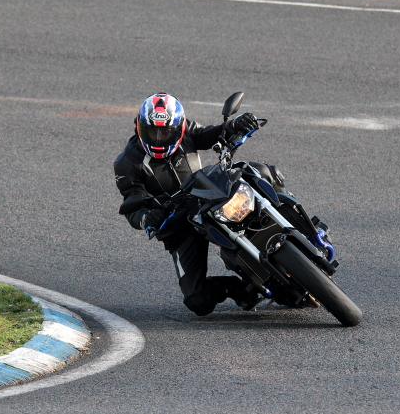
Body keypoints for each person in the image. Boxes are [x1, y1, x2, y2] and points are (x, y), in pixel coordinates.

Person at [115, 92, 283, 316]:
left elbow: (213, 133)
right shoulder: (126, 163)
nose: (158, 137)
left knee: (259, 172)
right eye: (152, 131)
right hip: (177, 223)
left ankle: (298, 224)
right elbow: (133, 206)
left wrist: (235, 125)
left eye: (165, 131)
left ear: (179, 128)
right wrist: (147, 217)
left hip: (210, 196)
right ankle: (236, 286)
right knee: (198, 300)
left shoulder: (187, 132)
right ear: (139, 126)